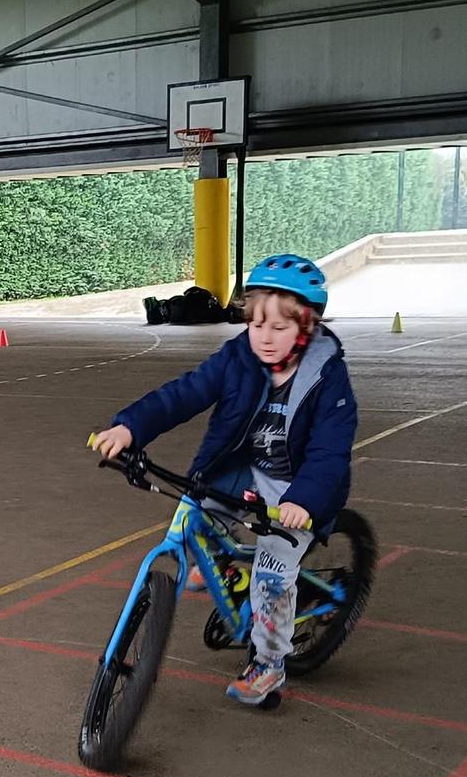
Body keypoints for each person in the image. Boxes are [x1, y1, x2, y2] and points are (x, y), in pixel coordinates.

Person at [90, 254, 357, 707]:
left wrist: (304, 501)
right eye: (257, 326)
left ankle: (269, 664)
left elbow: (330, 452)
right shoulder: (239, 356)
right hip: (238, 466)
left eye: (279, 328)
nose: (265, 339)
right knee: (193, 515)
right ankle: (230, 572)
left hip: (295, 485)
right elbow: (186, 392)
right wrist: (131, 427)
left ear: (306, 327)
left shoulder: (327, 379)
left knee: (273, 577)